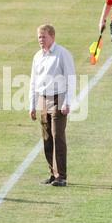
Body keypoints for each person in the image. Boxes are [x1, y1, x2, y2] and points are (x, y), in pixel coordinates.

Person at [29, 24, 76, 187]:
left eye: (44, 37)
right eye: (39, 37)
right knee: (47, 138)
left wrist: (67, 102)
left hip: (58, 98)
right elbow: (33, 82)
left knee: (58, 136)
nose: (41, 40)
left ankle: (61, 176)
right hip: (43, 98)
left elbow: (71, 78)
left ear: (52, 37)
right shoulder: (37, 56)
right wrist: (32, 104)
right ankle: (52, 173)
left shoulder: (62, 54)